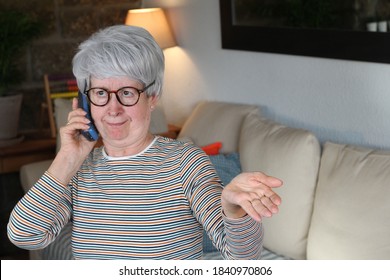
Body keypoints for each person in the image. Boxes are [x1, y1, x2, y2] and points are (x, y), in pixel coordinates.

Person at [7, 25, 282, 260]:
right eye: (100, 93)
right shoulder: (78, 171)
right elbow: (25, 235)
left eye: (127, 92)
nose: (112, 109)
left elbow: (242, 257)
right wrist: (67, 159)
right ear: (85, 100)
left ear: (152, 97)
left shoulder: (185, 162)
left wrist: (234, 211)